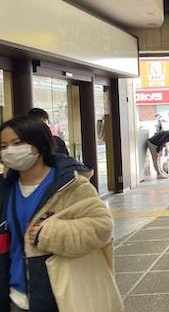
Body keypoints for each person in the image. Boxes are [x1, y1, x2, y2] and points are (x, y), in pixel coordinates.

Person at [0, 116, 122, 311]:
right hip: (16, 296)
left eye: (18, 143)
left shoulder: (70, 185)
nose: (9, 151)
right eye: (3, 146)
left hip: (63, 294)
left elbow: (102, 226)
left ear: (38, 144)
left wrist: (50, 234)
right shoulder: (6, 189)